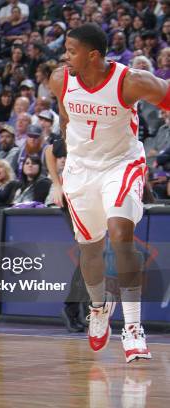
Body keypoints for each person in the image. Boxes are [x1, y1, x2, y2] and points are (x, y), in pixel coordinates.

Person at [48, 23, 170, 363]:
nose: (65, 56)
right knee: (90, 248)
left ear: (94, 55)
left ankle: (133, 328)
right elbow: (64, 115)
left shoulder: (130, 81)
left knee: (120, 234)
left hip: (121, 163)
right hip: (80, 170)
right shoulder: (60, 79)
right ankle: (99, 307)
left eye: (71, 51)